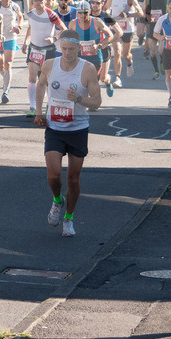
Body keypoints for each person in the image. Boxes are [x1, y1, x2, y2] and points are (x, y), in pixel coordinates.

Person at [34, 29, 103, 237]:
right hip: (54, 127)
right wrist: (38, 112)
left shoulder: (88, 69)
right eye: (63, 49)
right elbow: (39, 86)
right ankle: (57, 201)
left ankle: (69, 218)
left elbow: (97, 103)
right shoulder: (49, 65)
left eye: (71, 49)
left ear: (79, 48)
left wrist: (79, 100)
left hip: (78, 129)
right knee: (54, 175)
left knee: (73, 179)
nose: (67, 53)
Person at [22, 0, 65, 117]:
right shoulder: (30, 14)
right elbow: (30, 28)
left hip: (47, 50)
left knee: (46, 80)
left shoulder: (51, 14)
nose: (37, 3)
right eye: (35, 0)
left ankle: (49, 104)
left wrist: (54, 39)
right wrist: (26, 42)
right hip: (34, 48)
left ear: (45, 1)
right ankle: (32, 107)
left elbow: (63, 29)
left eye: (40, 0)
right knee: (32, 77)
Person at [109, 0, 143, 82]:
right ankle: (117, 78)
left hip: (128, 30)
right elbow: (104, 11)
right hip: (116, 29)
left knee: (125, 55)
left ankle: (129, 62)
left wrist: (128, 14)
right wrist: (108, 20)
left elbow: (141, 13)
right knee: (117, 52)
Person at [0, 0, 24, 104]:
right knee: (1, 65)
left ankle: (5, 91)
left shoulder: (14, 6)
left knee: (8, 63)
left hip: (11, 37)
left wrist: (19, 26)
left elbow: (20, 16)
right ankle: (6, 78)